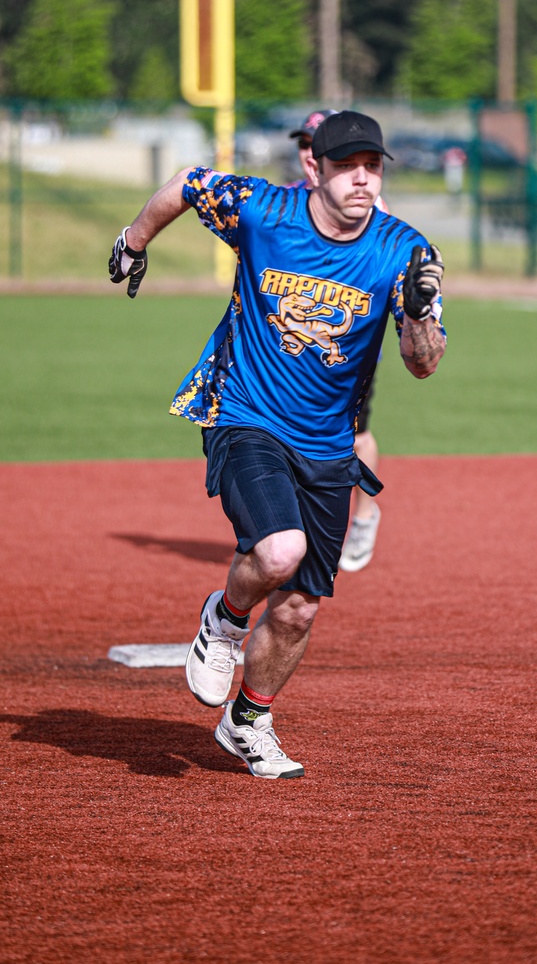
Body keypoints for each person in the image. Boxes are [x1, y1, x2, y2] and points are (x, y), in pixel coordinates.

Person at [109, 110, 446, 780]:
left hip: (328, 443)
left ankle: (248, 722)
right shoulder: (264, 211)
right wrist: (134, 240)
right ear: (313, 168)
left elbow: (424, 363)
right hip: (245, 414)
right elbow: (186, 183)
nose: (362, 179)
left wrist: (415, 315)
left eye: (372, 167)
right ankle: (225, 620)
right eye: (347, 166)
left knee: (297, 608)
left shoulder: (406, 250)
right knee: (278, 551)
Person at [287, 110, 383, 573]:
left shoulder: (367, 211)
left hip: (348, 347)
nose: (306, 150)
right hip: (295, 340)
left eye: (313, 142)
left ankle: (363, 514)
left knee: (355, 435)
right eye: (303, 143)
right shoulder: (286, 202)